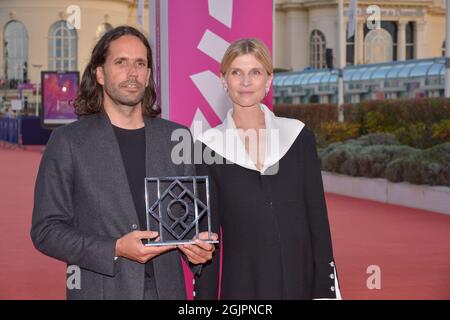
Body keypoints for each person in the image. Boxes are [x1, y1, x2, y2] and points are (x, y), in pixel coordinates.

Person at [31, 26, 217, 300]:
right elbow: (46, 230)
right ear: (100, 74)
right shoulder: (69, 141)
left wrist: (197, 250)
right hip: (102, 290)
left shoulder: (175, 138)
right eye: (121, 62)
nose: (133, 73)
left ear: (149, 74)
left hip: (167, 291)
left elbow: (185, 220)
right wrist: (114, 248)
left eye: (140, 63)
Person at [194, 38, 342, 300]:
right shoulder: (207, 147)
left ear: (269, 80)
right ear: (223, 81)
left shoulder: (298, 136)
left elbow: (318, 221)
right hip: (243, 284)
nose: (246, 81)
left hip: (301, 281)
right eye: (236, 72)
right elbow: (209, 238)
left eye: (255, 72)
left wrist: (325, 292)